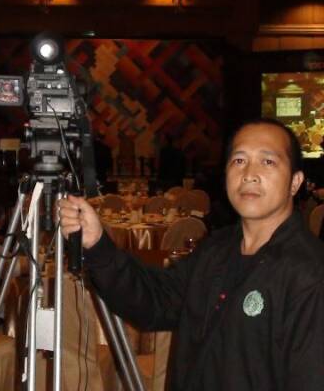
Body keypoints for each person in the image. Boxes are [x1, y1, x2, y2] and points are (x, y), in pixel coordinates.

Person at [59, 118, 324, 391]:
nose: (249, 174)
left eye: (268, 161)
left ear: (295, 182)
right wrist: (98, 244)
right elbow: (155, 301)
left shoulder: (309, 274)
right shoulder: (216, 250)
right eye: (239, 160)